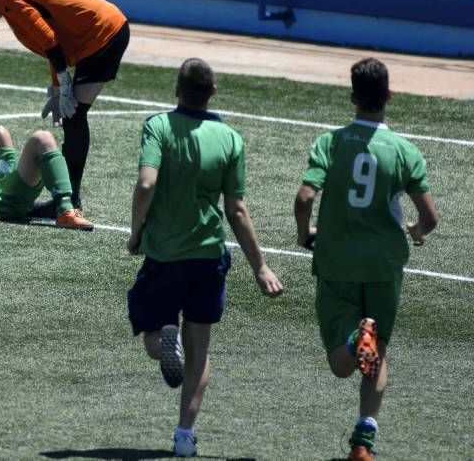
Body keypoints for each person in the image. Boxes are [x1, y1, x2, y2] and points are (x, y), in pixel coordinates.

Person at [126, 58, 283, 457]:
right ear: (214, 91)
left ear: (176, 89)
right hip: (209, 255)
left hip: (164, 254)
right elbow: (237, 211)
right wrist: (260, 266)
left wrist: (135, 232)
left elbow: (146, 183)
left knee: (152, 338)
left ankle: (164, 340)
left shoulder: (159, 126)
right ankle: (184, 436)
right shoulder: (230, 138)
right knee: (201, 347)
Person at [294, 58, 438, 461]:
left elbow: (305, 197)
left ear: (354, 96)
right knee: (380, 353)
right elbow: (430, 218)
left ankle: (357, 339)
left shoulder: (330, 142)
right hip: (383, 266)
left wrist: (305, 235)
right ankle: (364, 441)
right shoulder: (404, 150)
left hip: (337, 262)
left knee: (342, 362)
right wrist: (416, 232)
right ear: (389, 96)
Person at [0, 0, 130, 217]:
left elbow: (48, 38)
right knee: (74, 116)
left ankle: (69, 201)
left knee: (74, 117)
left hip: (101, 34)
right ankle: (69, 199)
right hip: (111, 28)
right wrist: (57, 89)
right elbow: (51, 42)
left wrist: (63, 81)